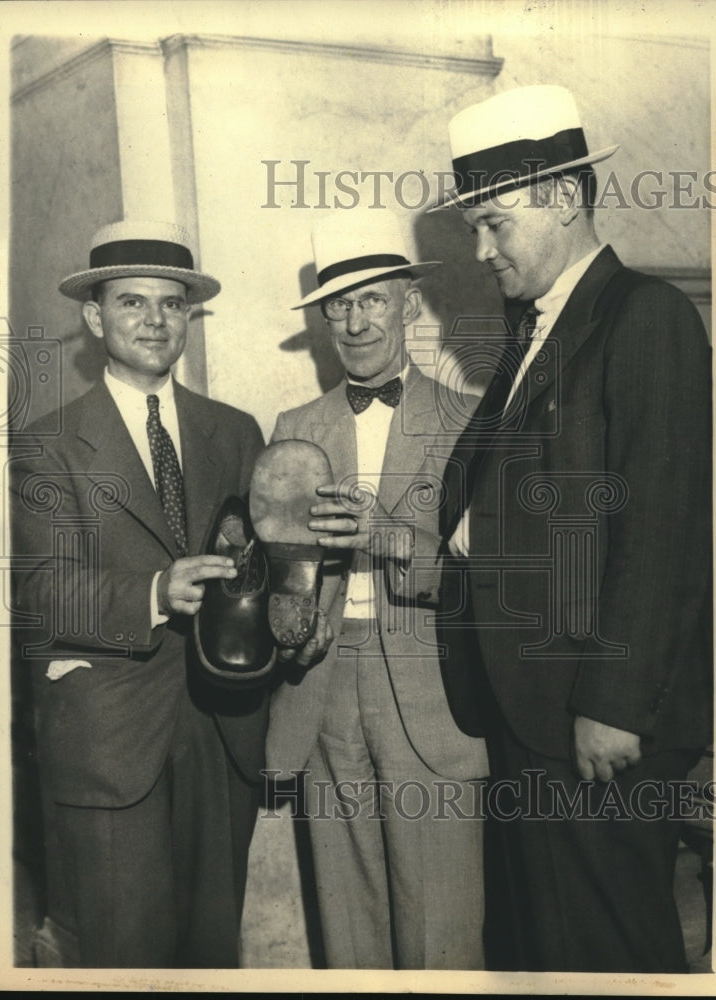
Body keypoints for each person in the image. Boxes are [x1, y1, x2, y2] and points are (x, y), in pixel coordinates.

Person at [427, 84, 713, 972]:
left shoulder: (644, 318)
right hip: (530, 707)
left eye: (493, 224)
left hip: (592, 722)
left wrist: (613, 705)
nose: (480, 251)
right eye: (474, 226)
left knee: (606, 949)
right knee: (540, 947)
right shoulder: (535, 331)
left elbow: (664, 530)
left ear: (559, 198)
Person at [9, 220, 269, 968]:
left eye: (171, 303)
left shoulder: (236, 432)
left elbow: (263, 570)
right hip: (109, 745)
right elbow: (40, 590)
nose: (155, 321)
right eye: (132, 303)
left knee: (213, 956)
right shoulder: (46, 444)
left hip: (223, 733)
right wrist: (156, 590)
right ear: (95, 319)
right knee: (125, 958)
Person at [265, 209, 490, 969]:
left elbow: (485, 584)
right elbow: (281, 570)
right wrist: (288, 610)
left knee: (441, 930)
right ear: (323, 317)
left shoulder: (467, 422)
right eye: (338, 304)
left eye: (372, 300)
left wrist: (387, 534)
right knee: (347, 924)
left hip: (431, 692)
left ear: (407, 304)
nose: (356, 321)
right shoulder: (293, 427)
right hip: (321, 689)